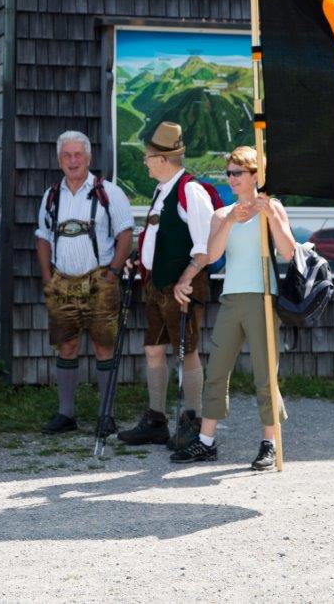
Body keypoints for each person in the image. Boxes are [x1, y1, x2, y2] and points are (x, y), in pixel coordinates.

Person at [169, 146, 296, 469]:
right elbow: (212, 256)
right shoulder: (221, 214)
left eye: (237, 173)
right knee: (217, 370)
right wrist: (228, 222)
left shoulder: (273, 207)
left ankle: (270, 441)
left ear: (255, 175)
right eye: (228, 173)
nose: (231, 179)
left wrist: (270, 217)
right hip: (231, 298)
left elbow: (288, 252)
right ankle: (207, 441)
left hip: (262, 297)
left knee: (266, 374)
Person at [117, 121, 213, 450]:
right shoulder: (163, 189)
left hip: (181, 288)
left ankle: (193, 421)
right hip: (156, 286)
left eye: (147, 156)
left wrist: (185, 280)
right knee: (154, 349)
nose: (144, 161)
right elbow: (158, 236)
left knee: (186, 352)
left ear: (162, 158)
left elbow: (206, 246)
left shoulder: (190, 191)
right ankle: (157, 419)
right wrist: (138, 258)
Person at [35, 131, 134, 435]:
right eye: (67, 155)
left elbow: (126, 234)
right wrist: (48, 277)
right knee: (66, 345)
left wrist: (113, 273)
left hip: (100, 279)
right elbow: (43, 237)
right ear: (59, 160)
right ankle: (66, 414)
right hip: (62, 281)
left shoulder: (109, 192)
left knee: (104, 345)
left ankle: (106, 415)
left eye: (78, 155)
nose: (73, 161)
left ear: (89, 158)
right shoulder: (52, 195)